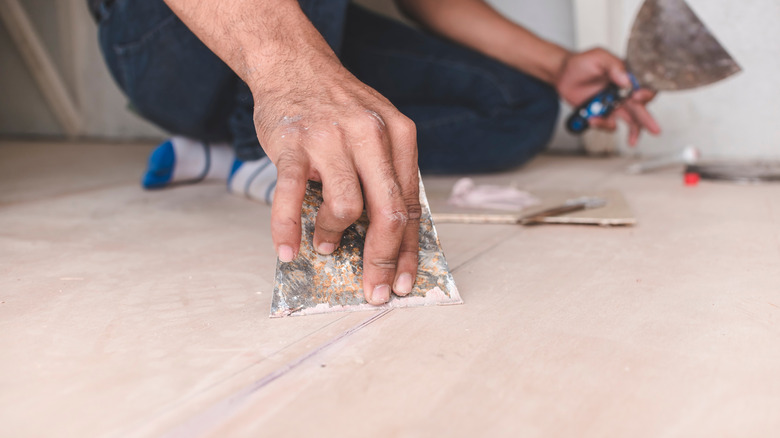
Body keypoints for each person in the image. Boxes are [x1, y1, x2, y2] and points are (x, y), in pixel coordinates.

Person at [90, 0, 659, 306]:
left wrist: (557, 65)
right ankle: (260, 144)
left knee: (522, 106)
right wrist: (291, 74)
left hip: (309, 16)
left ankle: (221, 156)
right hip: (161, 35)